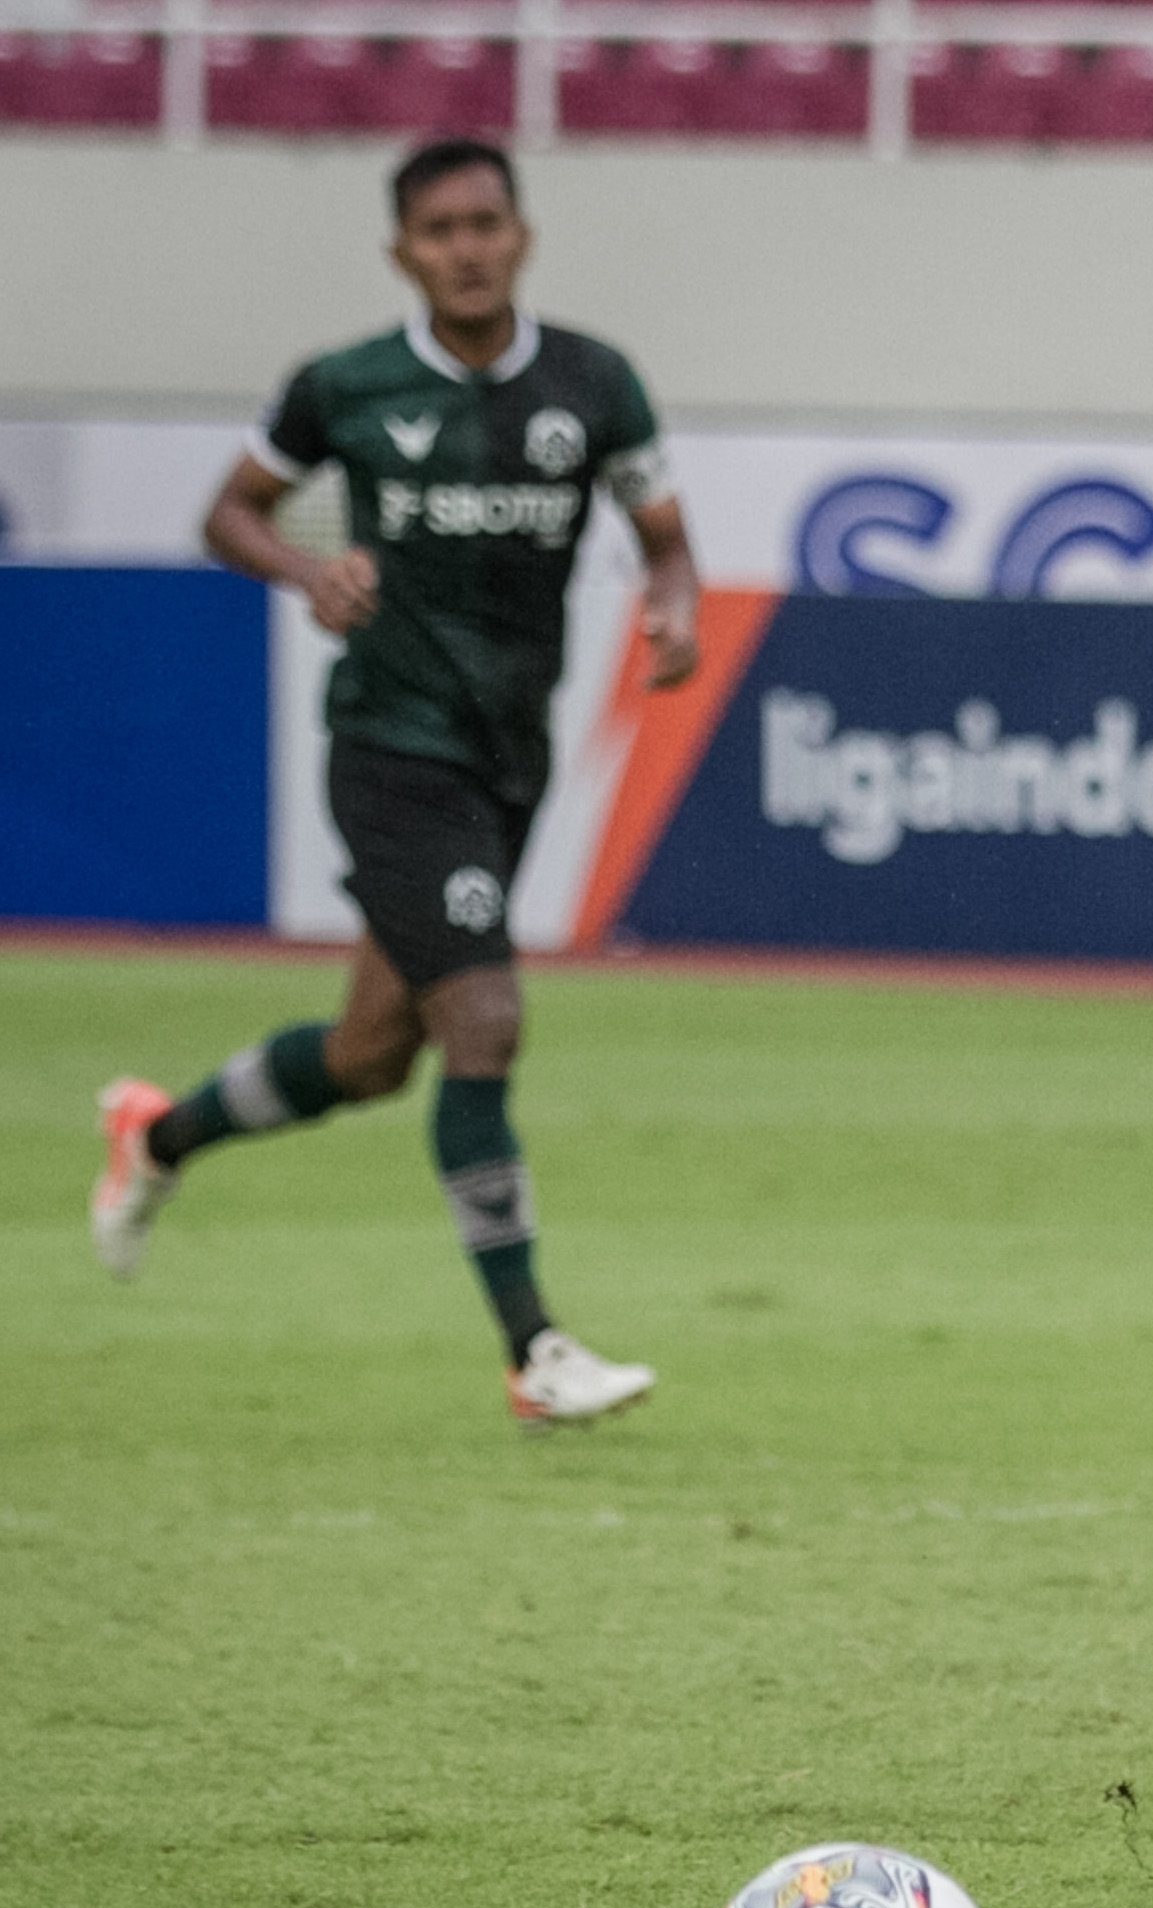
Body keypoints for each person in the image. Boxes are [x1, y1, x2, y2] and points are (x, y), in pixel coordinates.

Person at [88, 136, 698, 1428]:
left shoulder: (595, 383)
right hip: (389, 746)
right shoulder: (345, 385)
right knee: (483, 1021)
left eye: (486, 222)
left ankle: (155, 1136)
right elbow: (229, 512)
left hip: (509, 756)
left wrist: (677, 608)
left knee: (373, 1054)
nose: (467, 247)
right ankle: (535, 1350)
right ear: (402, 252)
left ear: (521, 233)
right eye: (440, 230)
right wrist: (309, 570)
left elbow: (663, 537)